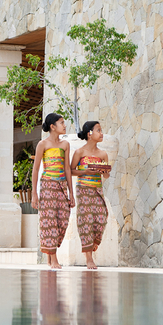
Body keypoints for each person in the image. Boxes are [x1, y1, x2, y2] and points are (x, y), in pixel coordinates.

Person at [32, 113, 75, 269]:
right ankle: (53, 259)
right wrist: (34, 194)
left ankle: (50, 256)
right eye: (62, 123)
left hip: (62, 187)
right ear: (52, 126)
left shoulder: (65, 145)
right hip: (47, 187)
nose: (64, 125)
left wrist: (71, 193)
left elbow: (67, 169)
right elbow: (36, 169)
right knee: (50, 222)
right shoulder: (42, 144)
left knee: (62, 219)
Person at [71, 121, 111, 270]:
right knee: (86, 221)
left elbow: (106, 176)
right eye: (98, 130)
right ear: (89, 133)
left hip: (97, 190)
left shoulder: (103, 154)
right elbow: (71, 170)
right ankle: (89, 258)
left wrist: (104, 171)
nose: (101, 133)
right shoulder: (79, 152)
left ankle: (92, 245)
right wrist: (85, 172)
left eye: (101, 130)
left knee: (101, 218)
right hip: (83, 190)